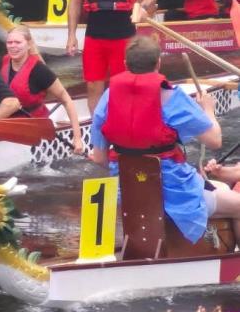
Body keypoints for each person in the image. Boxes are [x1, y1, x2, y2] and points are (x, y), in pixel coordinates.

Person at [90, 35, 240, 245]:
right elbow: (215, 140)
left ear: (125, 64)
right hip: (176, 197)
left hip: (130, 197)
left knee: (222, 188)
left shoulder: (107, 97)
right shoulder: (173, 97)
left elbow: (99, 158)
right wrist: (208, 110)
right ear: (158, 63)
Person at [3, 25, 84, 153]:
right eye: (9, 42)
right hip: (8, 123)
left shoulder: (39, 70)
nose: (13, 46)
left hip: (34, 127)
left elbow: (67, 100)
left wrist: (77, 138)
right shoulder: (6, 61)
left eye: (18, 42)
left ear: (29, 45)